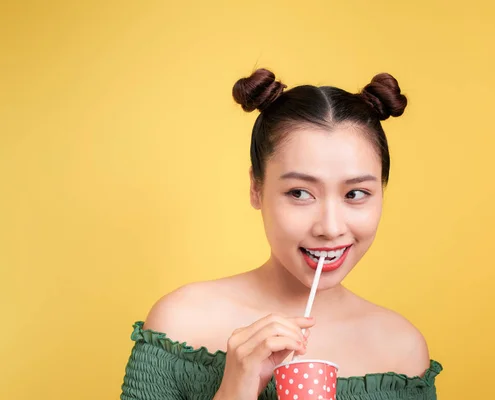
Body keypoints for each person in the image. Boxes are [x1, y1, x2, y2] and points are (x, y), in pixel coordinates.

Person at [120, 68, 443, 400]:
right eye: (300, 193)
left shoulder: (402, 351)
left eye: (355, 194)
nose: (330, 228)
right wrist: (234, 390)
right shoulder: (181, 322)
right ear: (256, 188)